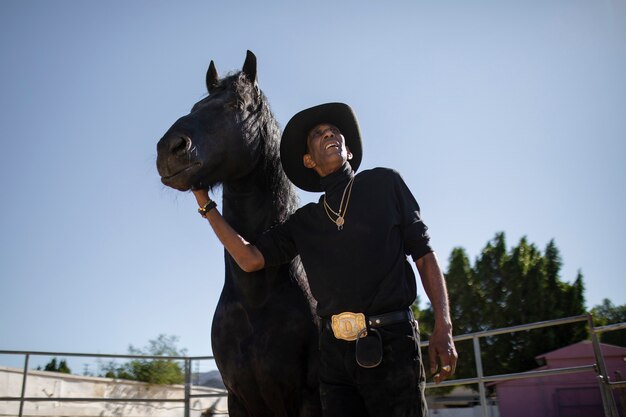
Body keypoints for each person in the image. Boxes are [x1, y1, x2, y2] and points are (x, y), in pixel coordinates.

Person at [193, 102, 457, 417]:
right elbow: (249, 258)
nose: (329, 132)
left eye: (334, 130)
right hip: (334, 356)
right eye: (318, 134)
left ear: (348, 152)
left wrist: (443, 324)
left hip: (393, 344)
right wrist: (207, 205)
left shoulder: (385, 184)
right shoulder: (305, 222)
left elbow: (424, 255)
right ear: (308, 160)